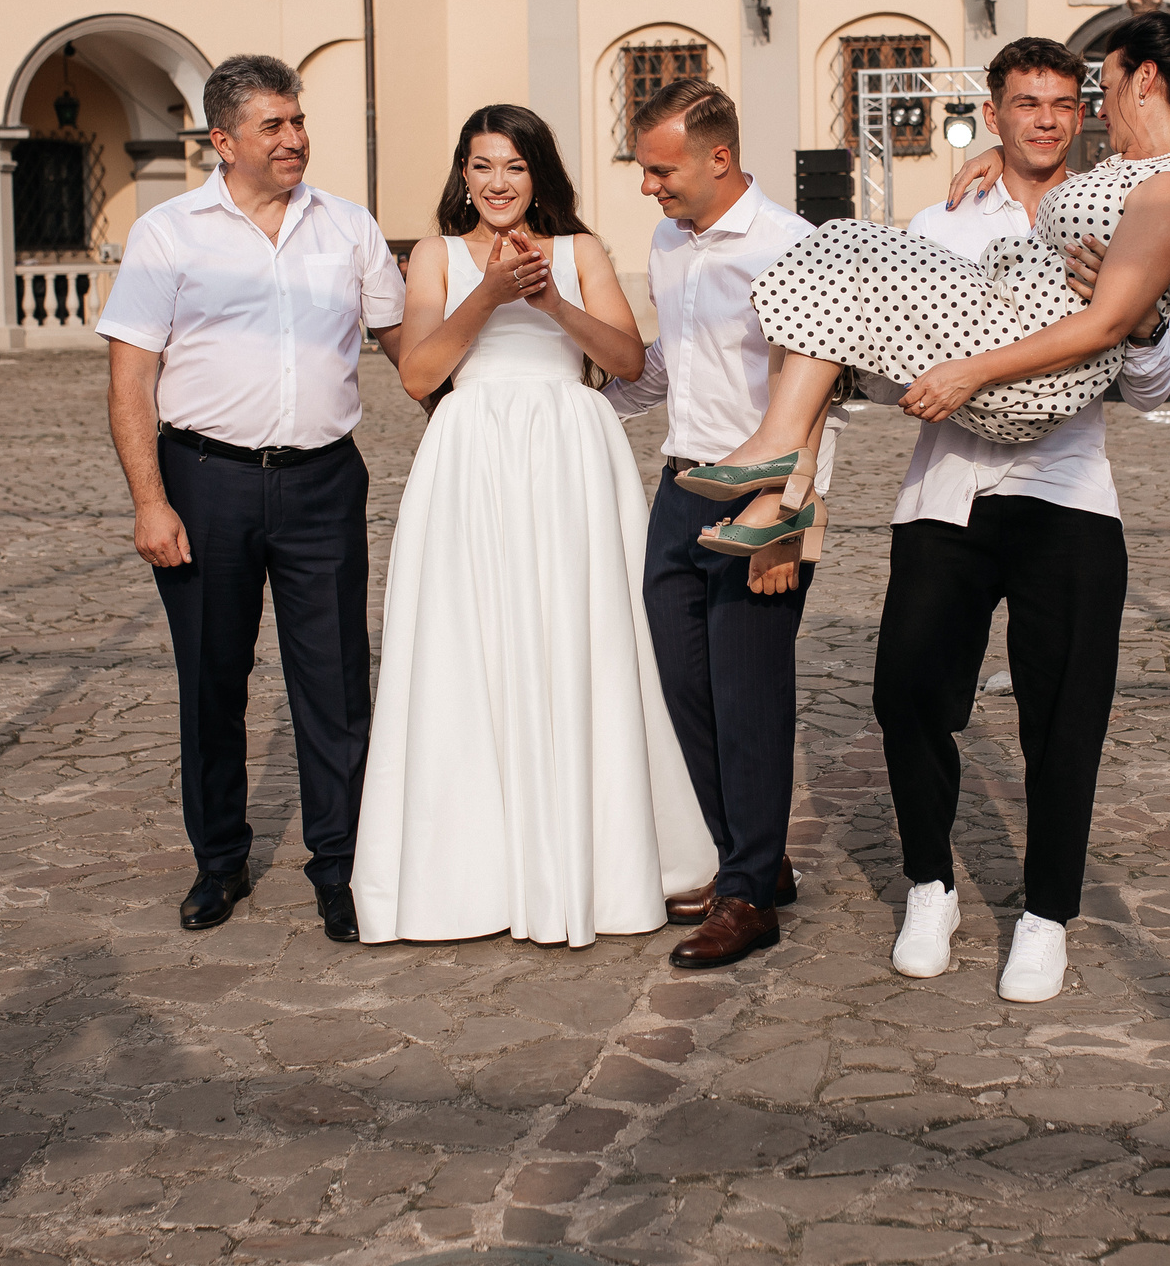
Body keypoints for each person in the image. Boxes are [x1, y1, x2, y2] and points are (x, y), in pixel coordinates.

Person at [674, 3, 1170, 573]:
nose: (1101, 111)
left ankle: (783, 456)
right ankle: (787, 486)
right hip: (972, 412)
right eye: (1027, 108)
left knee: (838, 244)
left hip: (1029, 387)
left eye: (1103, 89)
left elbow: (1109, 323)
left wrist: (974, 370)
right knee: (825, 277)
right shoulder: (1133, 170)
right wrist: (1000, 152)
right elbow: (1081, 201)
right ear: (996, 115)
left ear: (1145, 80)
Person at [351, 105, 718, 946]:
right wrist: (486, 292)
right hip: (470, 456)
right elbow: (417, 376)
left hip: (569, 454)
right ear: (464, 175)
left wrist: (552, 299)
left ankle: (608, 858)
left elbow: (625, 363)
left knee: (583, 639)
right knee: (468, 643)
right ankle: (473, 871)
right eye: (481, 167)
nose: (497, 183)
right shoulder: (435, 257)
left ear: (538, 173)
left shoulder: (581, 251)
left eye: (514, 166)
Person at [870, 36, 1170, 1003]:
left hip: (1069, 494)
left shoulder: (1126, 216)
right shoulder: (942, 223)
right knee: (907, 692)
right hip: (948, 491)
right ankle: (931, 886)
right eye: (1025, 102)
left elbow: (1158, 391)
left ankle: (1045, 915)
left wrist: (1136, 321)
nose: (1045, 118)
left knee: (1065, 719)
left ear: (1082, 111)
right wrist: (932, 368)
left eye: (1061, 102)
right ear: (993, 112)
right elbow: (886, 365)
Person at [99, 55, 406, 938]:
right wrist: (150, 502)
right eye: (273, 125)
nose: (295, 139)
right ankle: (219, 861)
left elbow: (405, 348)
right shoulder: (169, 233)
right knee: (211, 680)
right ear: (222, 140)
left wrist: (487, 402)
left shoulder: (347, 226)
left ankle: (340, 865)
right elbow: (131, 379)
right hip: (204, 483)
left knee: (337, 679)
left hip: (322, 481)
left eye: (298, 120)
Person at [603, 79, 826, 970]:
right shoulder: (668, 240)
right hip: (680, 483)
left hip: (763, 493)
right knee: (683, 687)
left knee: (750, 697)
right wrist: (597, 390)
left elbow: (817, 400)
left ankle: (746, 894)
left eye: (662, 169)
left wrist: (785, 518)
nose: (649, 186)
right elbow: (671, 368)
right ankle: (753, 861)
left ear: (719, 157)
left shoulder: (792, 246)